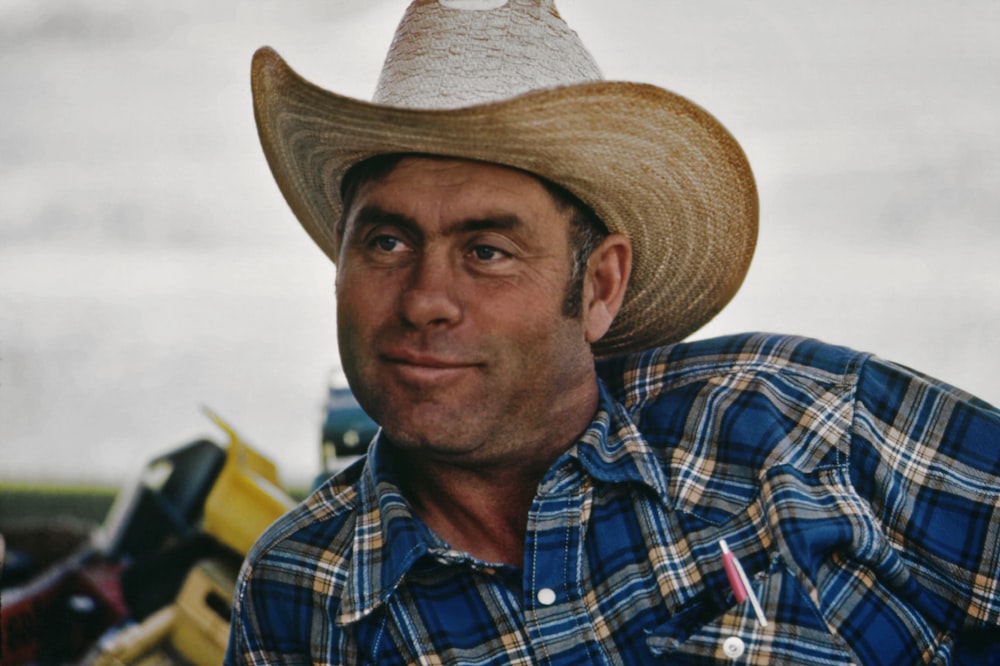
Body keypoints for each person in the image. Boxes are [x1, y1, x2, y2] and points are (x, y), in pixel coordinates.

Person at [227, 1, 1000, 663]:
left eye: (487, 251)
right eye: (386, 243)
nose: (426, 299)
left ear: (599, 285)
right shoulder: (305, 593)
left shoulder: (798, 422)